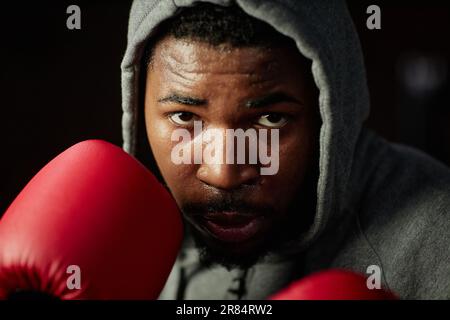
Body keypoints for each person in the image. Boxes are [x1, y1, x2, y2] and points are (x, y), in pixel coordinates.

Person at [120, 0, 450, 299]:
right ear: (138, 104)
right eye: (185, 117)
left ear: (331, 110)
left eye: (271, 119)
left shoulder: (437, 243)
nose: (223, 174)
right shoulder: (117, 238)